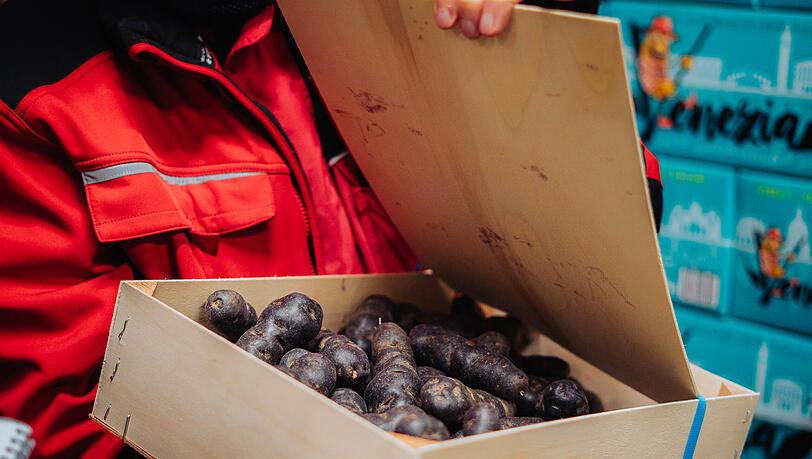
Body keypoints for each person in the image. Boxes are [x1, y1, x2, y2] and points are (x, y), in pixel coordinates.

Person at [0, 0, 660, 457]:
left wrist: (525, 53)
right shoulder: (32, 87)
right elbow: (63, 429)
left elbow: (607, 230)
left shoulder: (384, 20)